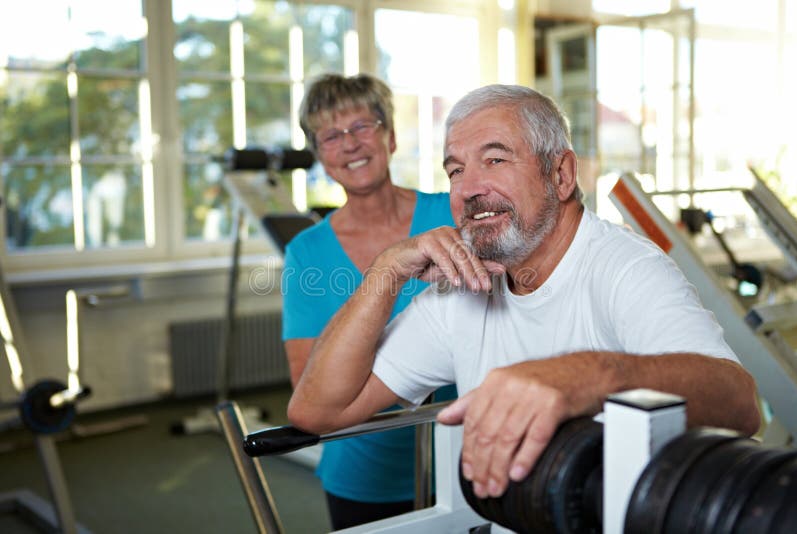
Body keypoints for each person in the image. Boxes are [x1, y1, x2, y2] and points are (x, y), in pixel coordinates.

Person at [288, 84, 761, 503]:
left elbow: (739, 404)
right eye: (455, 171)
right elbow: (317, 411)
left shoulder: (626, 268)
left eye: (495, 159)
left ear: (560, 175)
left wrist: (588, 376)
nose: (469, 188)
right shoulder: (463, 288)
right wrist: (387, 270)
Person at [281, 73, 457, 529]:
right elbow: (308, 383)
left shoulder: (452, 214)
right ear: (320, 155)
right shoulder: (306, 252)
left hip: (466, 458)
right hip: (364, 476)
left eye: (363, 126)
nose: (351, 144)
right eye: (331, 136)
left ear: (391, 136)